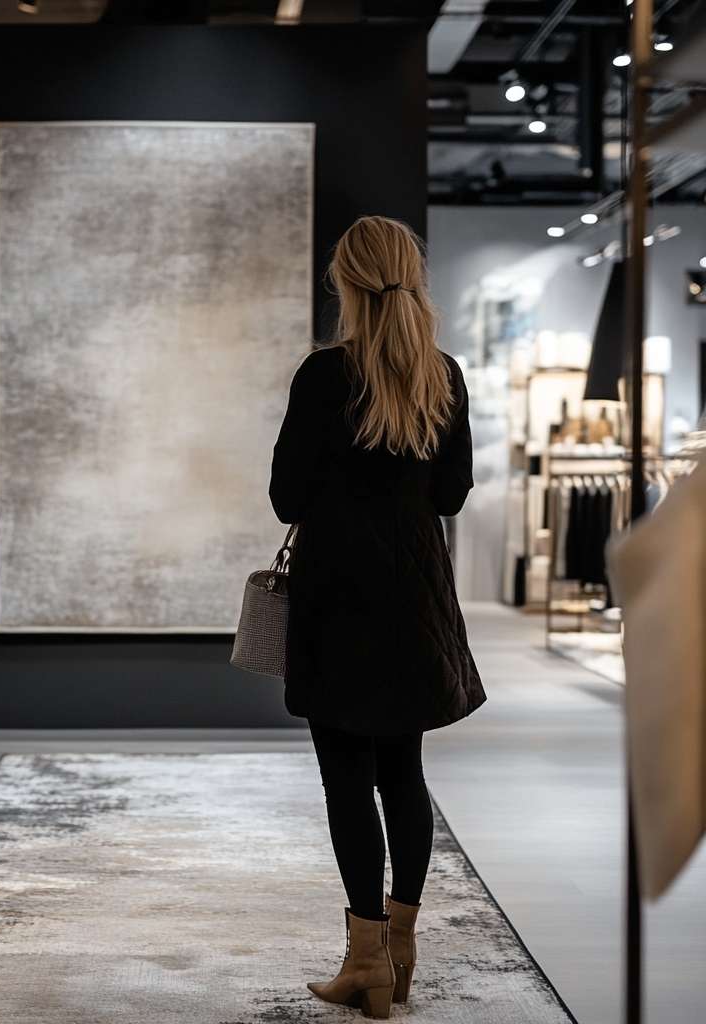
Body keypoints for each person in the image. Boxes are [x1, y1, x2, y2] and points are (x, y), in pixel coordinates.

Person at [269, 215, 486, 1019]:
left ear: (345, 282)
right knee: (404, 773)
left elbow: (286, 497)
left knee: (345, 778)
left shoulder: (324, 376)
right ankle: (400, 948)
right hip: (413, 593)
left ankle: (364, 961)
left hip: (337, 596)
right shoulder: (445, 374)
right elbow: (453, 494)